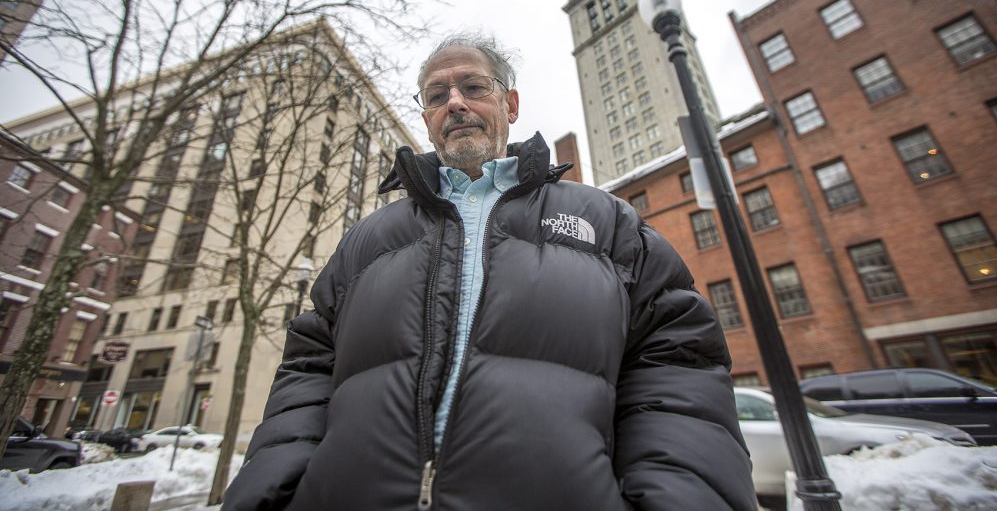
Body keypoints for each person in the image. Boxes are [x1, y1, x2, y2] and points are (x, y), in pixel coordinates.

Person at [224, 34, 756, 510]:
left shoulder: (606, 221)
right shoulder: (366, 240)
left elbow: (678, 362)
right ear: (427, 117)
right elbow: (308, 368)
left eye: (472, 86)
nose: (454, 103)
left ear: (511, 104)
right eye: (437, 96)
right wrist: (275, 488)